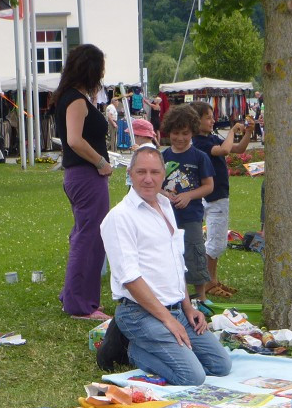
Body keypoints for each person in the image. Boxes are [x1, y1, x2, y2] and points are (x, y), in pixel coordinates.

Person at [99, 146, 231, 386]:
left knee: (221, 365)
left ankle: (163, 343)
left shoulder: (165, 205)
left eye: (155, 172)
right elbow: (129, 278)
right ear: (130, 173)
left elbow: (176, 262)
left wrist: (188, 308)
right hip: (139, 313)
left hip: (176, 309)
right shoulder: (119, 217)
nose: (148, 179)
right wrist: (168, 322)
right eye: (141, 172)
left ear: (164, 175)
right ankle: (130, 349)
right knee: (192, 376)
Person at [53, 44, 112, 321]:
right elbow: (74, 140)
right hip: (87, 176)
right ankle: (79, 303)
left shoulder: (70, 97)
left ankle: (74, 294)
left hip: (81, 176)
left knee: (84, 235)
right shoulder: (75, 100)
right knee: (89, 239)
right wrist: (100, 162)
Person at [189, 101, 251, 299]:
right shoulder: (200, 142)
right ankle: (208, 282)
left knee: (216, 240)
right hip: (214, 197)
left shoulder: (212, 138)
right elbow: (223, 151)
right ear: (196, 121)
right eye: (208, 117)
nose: (213, 120)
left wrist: (248, 132)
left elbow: (238, 148)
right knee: (216, 242)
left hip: (217, 195)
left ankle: (212, 279)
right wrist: (232, 129)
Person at [160, 104, 215, 302]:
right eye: (175, 133)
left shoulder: (200, 157)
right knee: (169, 257)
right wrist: (164, 193)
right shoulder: (162, 157)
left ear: (193, 131)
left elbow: (208, 186)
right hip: (166, 218)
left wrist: (188, 195)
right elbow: (155, 185)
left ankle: (200, 297)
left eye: (185, 133)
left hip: (191, 217)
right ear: (168, 132)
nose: (180, 138)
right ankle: (176, 296)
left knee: (194, 254)